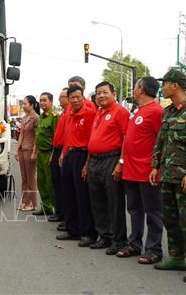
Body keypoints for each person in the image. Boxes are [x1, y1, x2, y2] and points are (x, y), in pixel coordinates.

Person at [150, 69, 186, 283]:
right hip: (168, 175)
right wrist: (155, 166)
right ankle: (176, 257)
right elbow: (161, 141)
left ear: (175, 85)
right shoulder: (168, 112)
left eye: (164, 84)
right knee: (170, 219)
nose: (162, 87)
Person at [119, 77, 164, 264]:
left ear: (142, 90)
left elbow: (162, 142)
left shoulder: (157, 111)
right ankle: (134, 244)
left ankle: (154, 249)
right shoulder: (138, 111)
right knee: (134, 209)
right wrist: (121, 161)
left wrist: (157, 167)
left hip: (147, 171)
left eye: (136, 86)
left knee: (153, 211)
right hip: (131, 170)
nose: (133, 89)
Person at [86, 81, 129, 254]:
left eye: (105, 92)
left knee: (114, 202)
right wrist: (88, 164)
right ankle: (104, 236)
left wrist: (121, 163)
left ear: (114, 93)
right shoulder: (99, 112)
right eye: (98, 93)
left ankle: (119, 241)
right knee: (97, 201)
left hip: (112, 159)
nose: (101, 96)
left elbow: (126, 139)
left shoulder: (121, 112)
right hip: (95, 161)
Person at [57, 85, 98, 247]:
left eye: (77, 97)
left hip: (82, 155)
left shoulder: (89, 114)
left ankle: (88, 232)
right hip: (69, 155)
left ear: (83, 97)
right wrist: (63, 154)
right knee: (67, 194)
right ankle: (72, 229)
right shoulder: (69, 114)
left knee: (82, 196)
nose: (74, 100)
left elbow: (91, 141)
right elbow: (67, 136)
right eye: (71, 97)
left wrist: (87, 164)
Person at [33, 92, 58, 216]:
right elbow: (38, 136)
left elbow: (56, 138)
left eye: (45, 100)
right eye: (40, 101)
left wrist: (53, 155)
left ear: (51, 102)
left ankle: (56, 209)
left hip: (49, 154)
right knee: (41, 181)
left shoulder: (54, 117)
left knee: (50, 183)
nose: (42, 103)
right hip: (40, 154)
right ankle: (46, 207)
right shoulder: (41, 117)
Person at [48, 88, 69, 225]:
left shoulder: (69, 113)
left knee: (63, 185)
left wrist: (61, 152)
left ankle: (63, 214)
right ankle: (60, 212)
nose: (60, 99)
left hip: (64, 150)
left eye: (62, 96)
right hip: (57, 150)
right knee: (56, 182)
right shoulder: (64, 113)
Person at [15, 95, 40, 212]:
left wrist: (34, 152)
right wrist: (16, 150)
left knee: (31, 178)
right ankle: (24, 201)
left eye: (25, 104)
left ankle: (32, 203)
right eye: (23, 104)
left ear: (32, 105)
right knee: (24, 178)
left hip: (30, 151)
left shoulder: (36, 118)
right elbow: (21, 135)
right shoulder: (24, 118)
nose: (23, 106)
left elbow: (37, 137)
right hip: (22, 150)